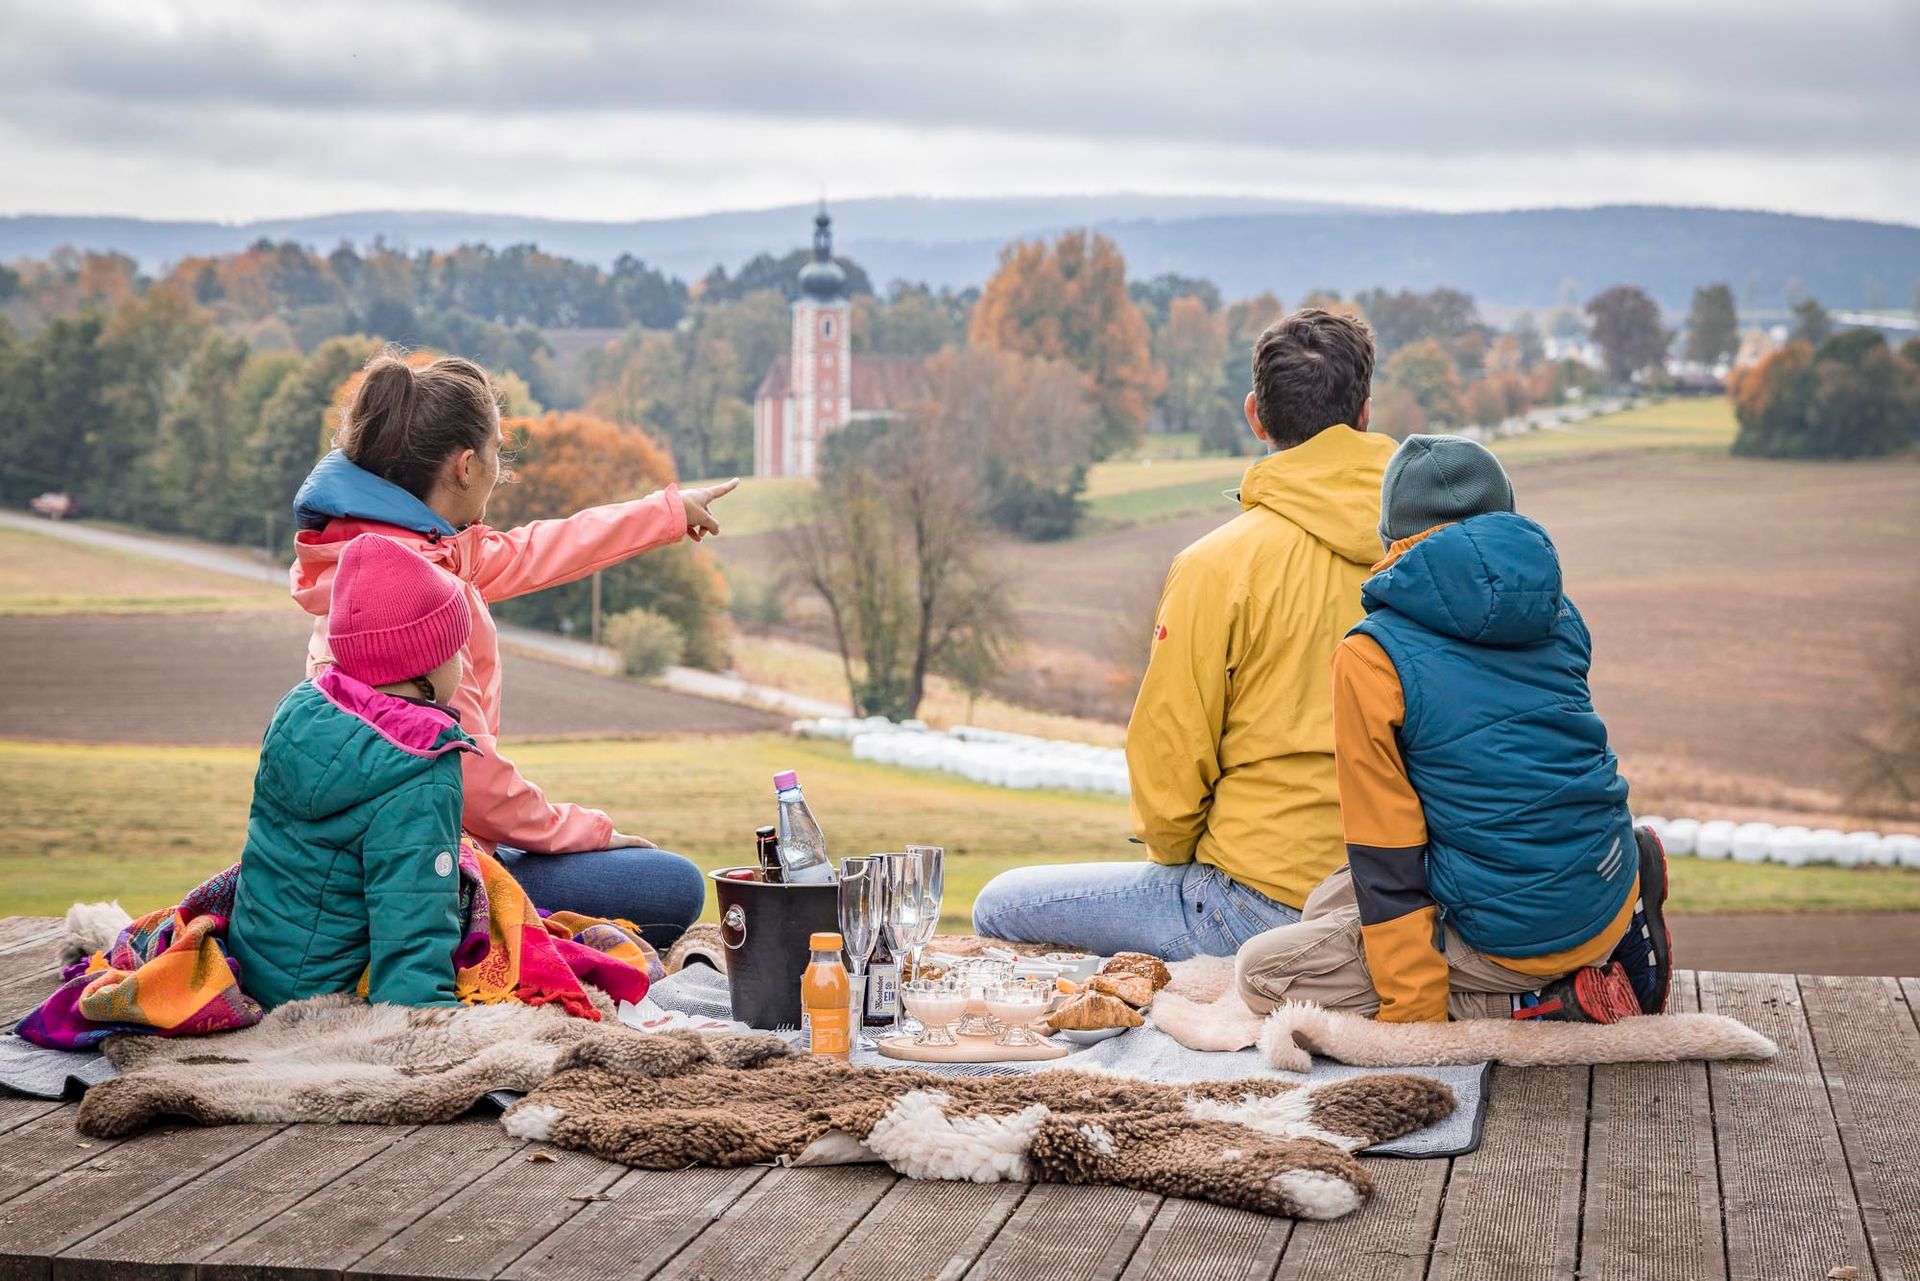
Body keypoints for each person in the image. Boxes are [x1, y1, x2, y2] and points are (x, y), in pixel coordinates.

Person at [972, 308, 1398, 958]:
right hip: (1395, 904)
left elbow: (1170, 768)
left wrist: (1179, 853)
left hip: (1254, 907)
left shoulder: (1215, 565)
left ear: (1256, 415)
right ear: (1365, 413)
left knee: (998, 903)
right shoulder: (1431, 550)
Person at [289, 349, 738, 947]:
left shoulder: (392, 554)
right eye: (500, 451)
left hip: (400, 850)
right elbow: (470, 777)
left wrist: (663, 514)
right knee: (671, 886)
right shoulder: (421, 591)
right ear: (467, 466)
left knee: (649, 882)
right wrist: (587, 831)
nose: (504, 469)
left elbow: (537, 549)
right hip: (419, 874)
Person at [1235, 435, 1672, 1023]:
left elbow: (1386, 847)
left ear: (1392, 538)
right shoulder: (1559, 613)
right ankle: (1607, 939)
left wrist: (1413, 1006)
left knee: (1262, 974)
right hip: (1605, 876)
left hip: (1521, 934)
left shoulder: (1371, 658)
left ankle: (1540, 999)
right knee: (1327, 903)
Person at [230, 533, 476, 1009]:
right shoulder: (420, 767)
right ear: (424, 669)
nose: (462, 663)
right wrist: (425, 1019)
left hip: (260, 966)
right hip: (323, 997)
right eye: (456, 650)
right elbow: (414, 919)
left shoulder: (302, 709)